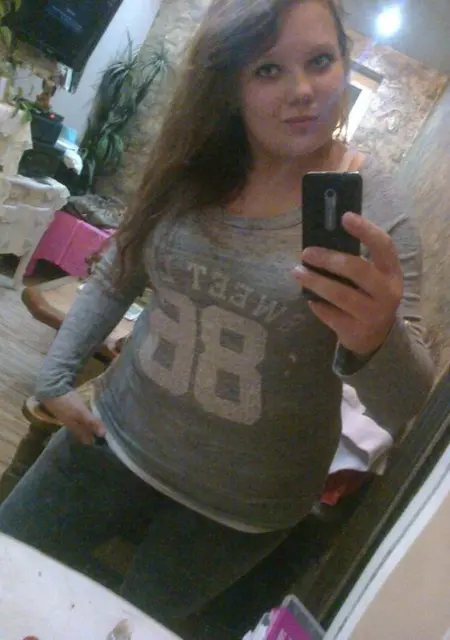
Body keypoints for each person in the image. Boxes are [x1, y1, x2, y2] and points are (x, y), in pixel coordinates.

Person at [0, 0, 434, 628]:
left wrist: (376, 340)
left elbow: (409, 405)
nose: (303, 90)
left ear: (344, 63)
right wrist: (54, 378)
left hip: (238, 511)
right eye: (268, 70)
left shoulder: (375, 205)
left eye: (320, 60)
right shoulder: (193, 163)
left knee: (131, 628)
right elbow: (120, 269)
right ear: (229, 83)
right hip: (110, 437)